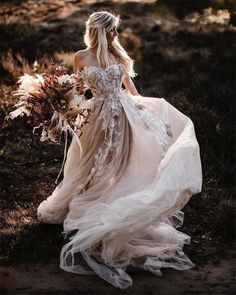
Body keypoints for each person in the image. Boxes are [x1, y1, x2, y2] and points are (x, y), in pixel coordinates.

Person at [37, 11, 202, 289]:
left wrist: (153, 113)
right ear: (99, 31)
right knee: (91, 162)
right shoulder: (81, 56)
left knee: (120, 161)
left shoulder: (117, 57)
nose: (115, 35)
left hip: (124, 115)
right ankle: (88, 196)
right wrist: (62, 110)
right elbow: (77, 91)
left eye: (115, 31)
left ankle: (115, 197)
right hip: (96, 117)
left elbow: (132, 92)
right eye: (111, 31)